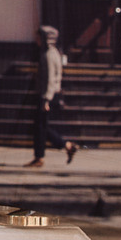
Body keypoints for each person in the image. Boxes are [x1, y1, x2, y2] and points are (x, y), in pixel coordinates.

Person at [30, 23, 78, 166]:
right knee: (41, 127)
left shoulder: (49, 55)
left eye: (39, 37)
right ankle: (66, 146)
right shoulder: (49, 53)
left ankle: (41, 157)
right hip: (47, 95)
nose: (37, 40)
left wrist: (46, 100)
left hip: (47, 96)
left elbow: (51, 79)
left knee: (40, 127)